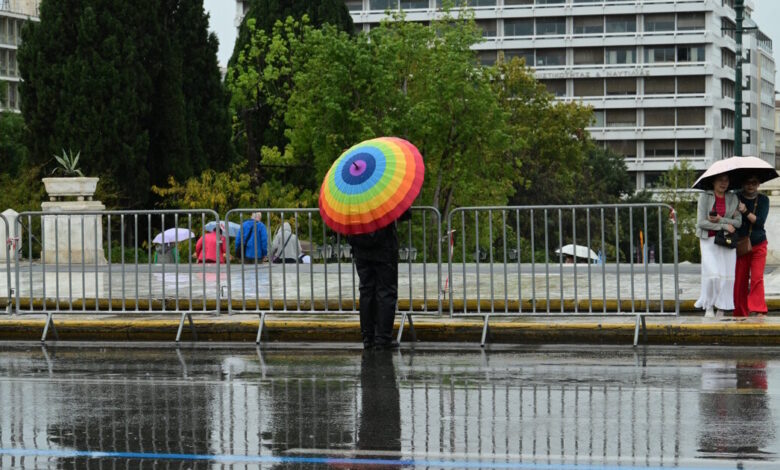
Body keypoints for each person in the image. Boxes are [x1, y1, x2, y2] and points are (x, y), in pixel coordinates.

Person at [347, 211, 411, 350]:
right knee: (386, 293)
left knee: (366, 292)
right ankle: (382, 338)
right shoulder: (384, 193)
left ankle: (368, 338)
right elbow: (404, 213)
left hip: (361, 248)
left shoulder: (353, 196)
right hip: (384, 248)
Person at [694, 173, 741, 318]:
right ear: (713, 182)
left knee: (727, 276)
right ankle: (709, 305)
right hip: (708, 240)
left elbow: (738, 222)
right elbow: (701, 222)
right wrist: (724, 226)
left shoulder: (733, 197)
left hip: (726, 242)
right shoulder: (705, 197)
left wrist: (721, 220)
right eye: (720, 180)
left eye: (726, 180)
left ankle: (722, 307)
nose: (723, 183)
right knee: (713, 274)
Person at [733, 175, 770, 318]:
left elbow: (760, 222)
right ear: (743, 183)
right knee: (740, 279)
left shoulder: (763, 200)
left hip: (759, 243)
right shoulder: (735, 198)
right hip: (741, 244)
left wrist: (745, 211)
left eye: (754, 183)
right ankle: (740, 311)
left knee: (756, 277)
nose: (750, 186)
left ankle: (759, 309)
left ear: (759, 184)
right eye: (747, 182)